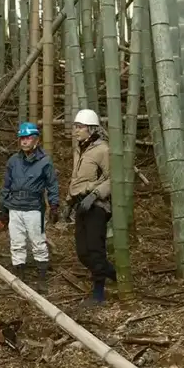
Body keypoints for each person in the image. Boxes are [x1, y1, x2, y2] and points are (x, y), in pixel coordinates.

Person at [0, 122, 60, 294]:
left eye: (28, 138)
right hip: (15, 207)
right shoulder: (13, 161)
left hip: (34, 208)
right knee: (17, 243)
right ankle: (20, 278)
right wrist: (2, 210)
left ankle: (42, 278)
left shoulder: (45, 161)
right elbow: (6, 186)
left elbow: (52, 185)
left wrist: (54, 205)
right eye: (22, 138)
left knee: (38, 243)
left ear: (36, 140)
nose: (24, 141)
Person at [68, 109, 115, 305]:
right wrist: (69, 202)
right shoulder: (80, 149)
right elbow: (76, 179)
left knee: (95, 249)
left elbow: (114, 178)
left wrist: (96, 194)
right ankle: (116, 275)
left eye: (79, 127)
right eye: (75, 126)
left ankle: (98, 294)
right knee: (83, 253)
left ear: (91, 129)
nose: (76, 130)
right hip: (81, 205)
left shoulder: (103, 150)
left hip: (97, 206)